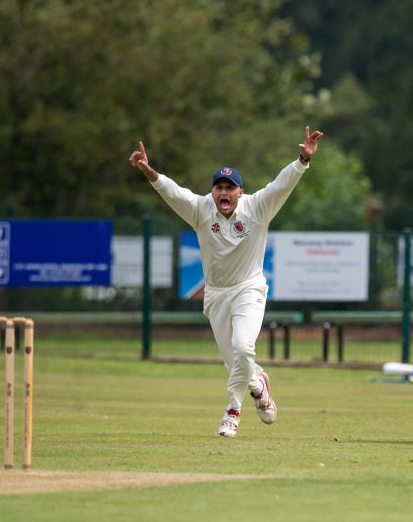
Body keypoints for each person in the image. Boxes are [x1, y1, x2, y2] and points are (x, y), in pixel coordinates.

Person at [129, 126, 324, 438]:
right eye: (218, 187)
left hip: (249, 288)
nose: (223, 192)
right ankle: (258, 385)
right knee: (236, 363)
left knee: (243, 346)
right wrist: (148, 170)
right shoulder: (201, 209)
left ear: (240, 192)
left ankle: (232, 413)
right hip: (216, 294)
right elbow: (173, 191)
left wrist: (302, 159)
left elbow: (280, 186)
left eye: (229, 187)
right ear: (212, 192)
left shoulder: (257, 208)